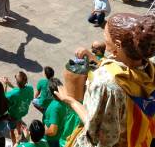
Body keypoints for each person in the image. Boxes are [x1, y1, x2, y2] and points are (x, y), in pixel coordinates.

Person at [55, 13, 155, 147]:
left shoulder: (106, 85)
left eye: (106, 35)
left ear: (118, 44)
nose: (104, 37)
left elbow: (97, 134)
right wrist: (92, 56)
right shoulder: (150, 68)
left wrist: (71, 101)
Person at [2, 71, 34, 145]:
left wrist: (5, 84)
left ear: (17, 82)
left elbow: (3, 98)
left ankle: (14, 143)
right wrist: (10, 84)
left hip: (13, 115)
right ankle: (19, 132)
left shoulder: (12, 94)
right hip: (23, 111)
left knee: (11, 130)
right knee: (19, 121)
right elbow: (20, 90)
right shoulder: (30, 88)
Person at [44, 78, 67, 147]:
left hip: (52, 140)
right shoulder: (67, 99)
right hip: (61, 134)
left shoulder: (55, 107)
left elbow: (53, 131)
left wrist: (41, 133)